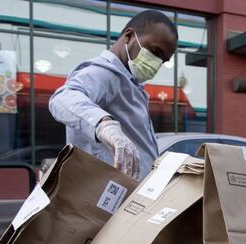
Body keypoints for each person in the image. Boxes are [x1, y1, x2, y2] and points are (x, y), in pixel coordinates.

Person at [49, 10, 178, 180]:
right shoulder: (105, 74)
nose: (157, 63)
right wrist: (104, 125)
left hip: (130, 195)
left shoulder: (131, 84)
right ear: (129, 36)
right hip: (106, 195)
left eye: (163, 60)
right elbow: (63, 98)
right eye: (155, 51)